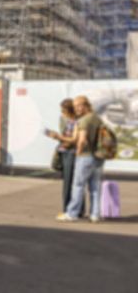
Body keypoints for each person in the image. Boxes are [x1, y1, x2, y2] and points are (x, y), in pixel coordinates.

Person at [57, 95, 105, 223]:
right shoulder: (97, 118)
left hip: (85, 157)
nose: (76, 109)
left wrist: (78, 153)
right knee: (95, 188)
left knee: (78, 186)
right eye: (75, 107)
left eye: (78, 106)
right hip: (98, 158)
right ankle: (95, 214)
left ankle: (72, 213)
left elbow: (82, 140)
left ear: (85, 105)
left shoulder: (84, 120)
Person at [46, 98, 85, 217]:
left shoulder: (79, 121)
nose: (62, 113)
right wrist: (57, 136)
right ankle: (75, 210)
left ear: (70, 110)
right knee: (72, 182)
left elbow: (74, 140)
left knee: (71, 183)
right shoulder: (64, 119)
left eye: (63, 110)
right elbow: (64, 135)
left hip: (72, 152)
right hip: (65, 151)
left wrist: (59, 137)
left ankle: (69, 210)